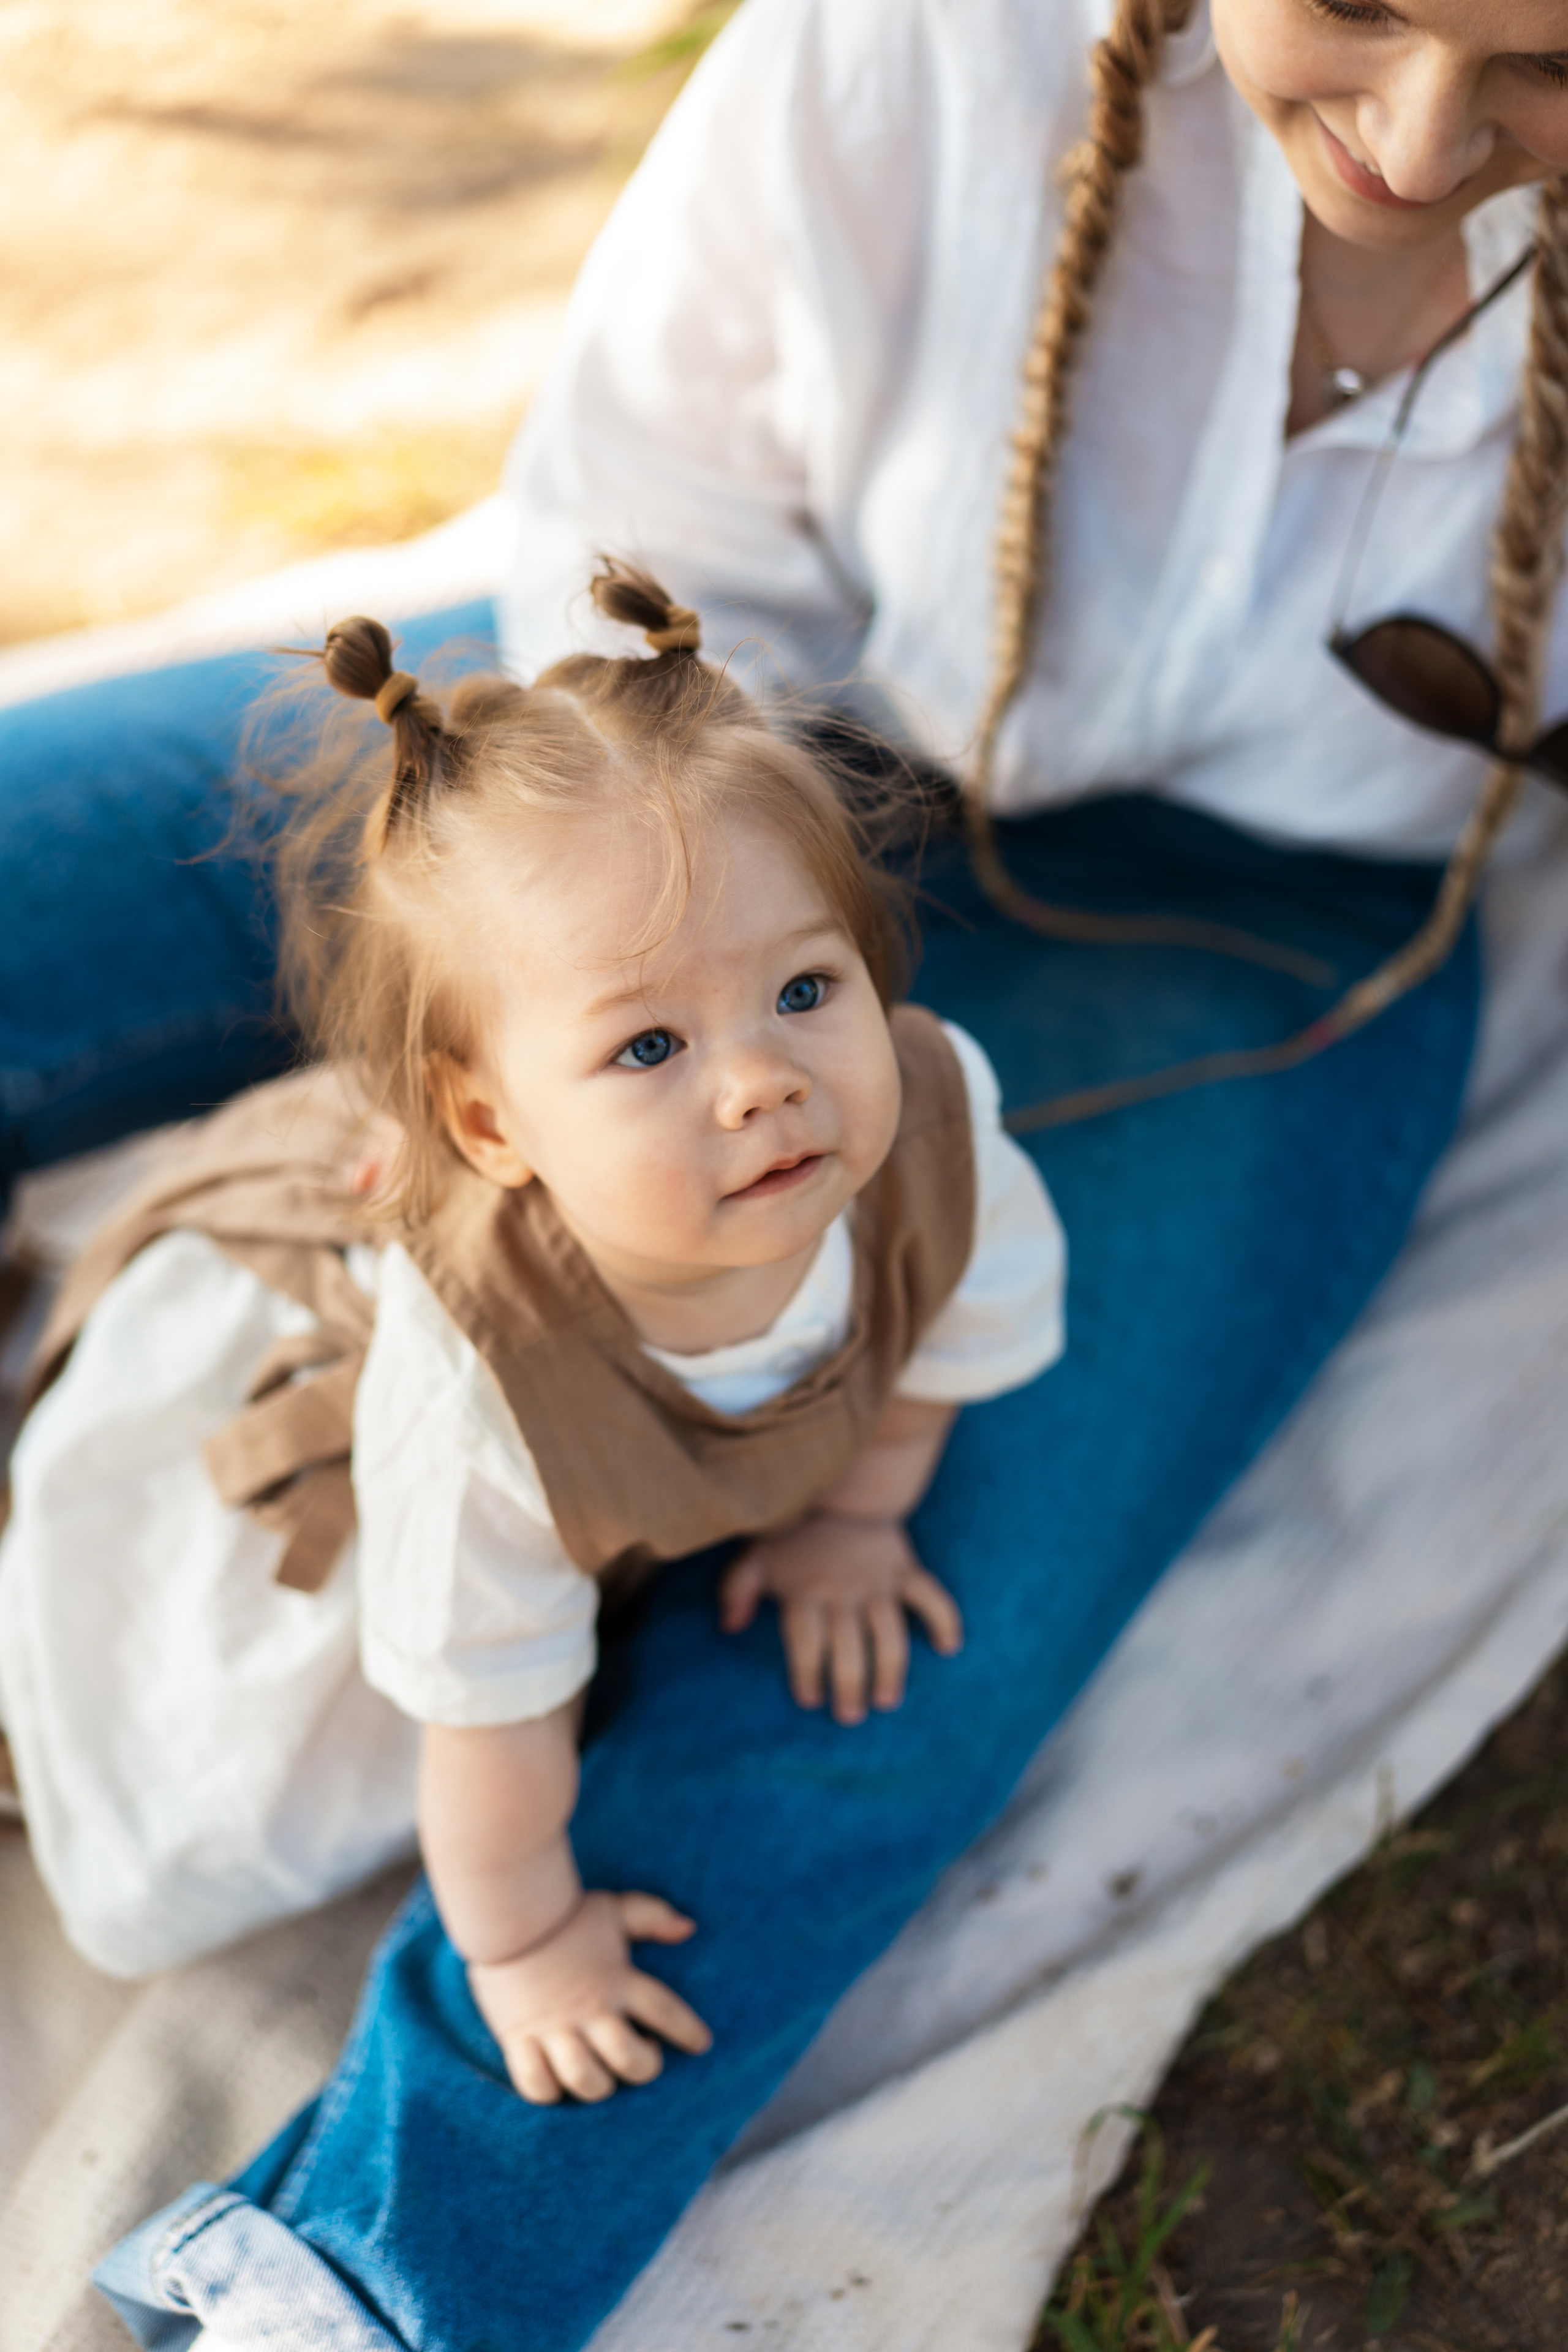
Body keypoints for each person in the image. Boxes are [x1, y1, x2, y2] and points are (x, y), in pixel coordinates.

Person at [13, 0, 1564, 2343]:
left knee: (933, 1593)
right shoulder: (922, 51)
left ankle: (368, 2265)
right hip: (703, 753)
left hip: (1270, 913)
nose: (1426, 138)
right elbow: (635, 559)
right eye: (1355, 9)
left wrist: (792, 1198)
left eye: (1552, 60)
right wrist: (595, 1028)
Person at [0, 564, 1066, 2114]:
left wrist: (854, 1520)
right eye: (649, 1044)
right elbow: (486, 1725)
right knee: (208, 1770)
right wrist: (525, 1942)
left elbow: (946, 1326)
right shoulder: (478, 1384)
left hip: (591, 1429)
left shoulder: (933, 1127)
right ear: (494, 1123)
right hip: (331, 1402)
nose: (761, 1079)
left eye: (801, 985)